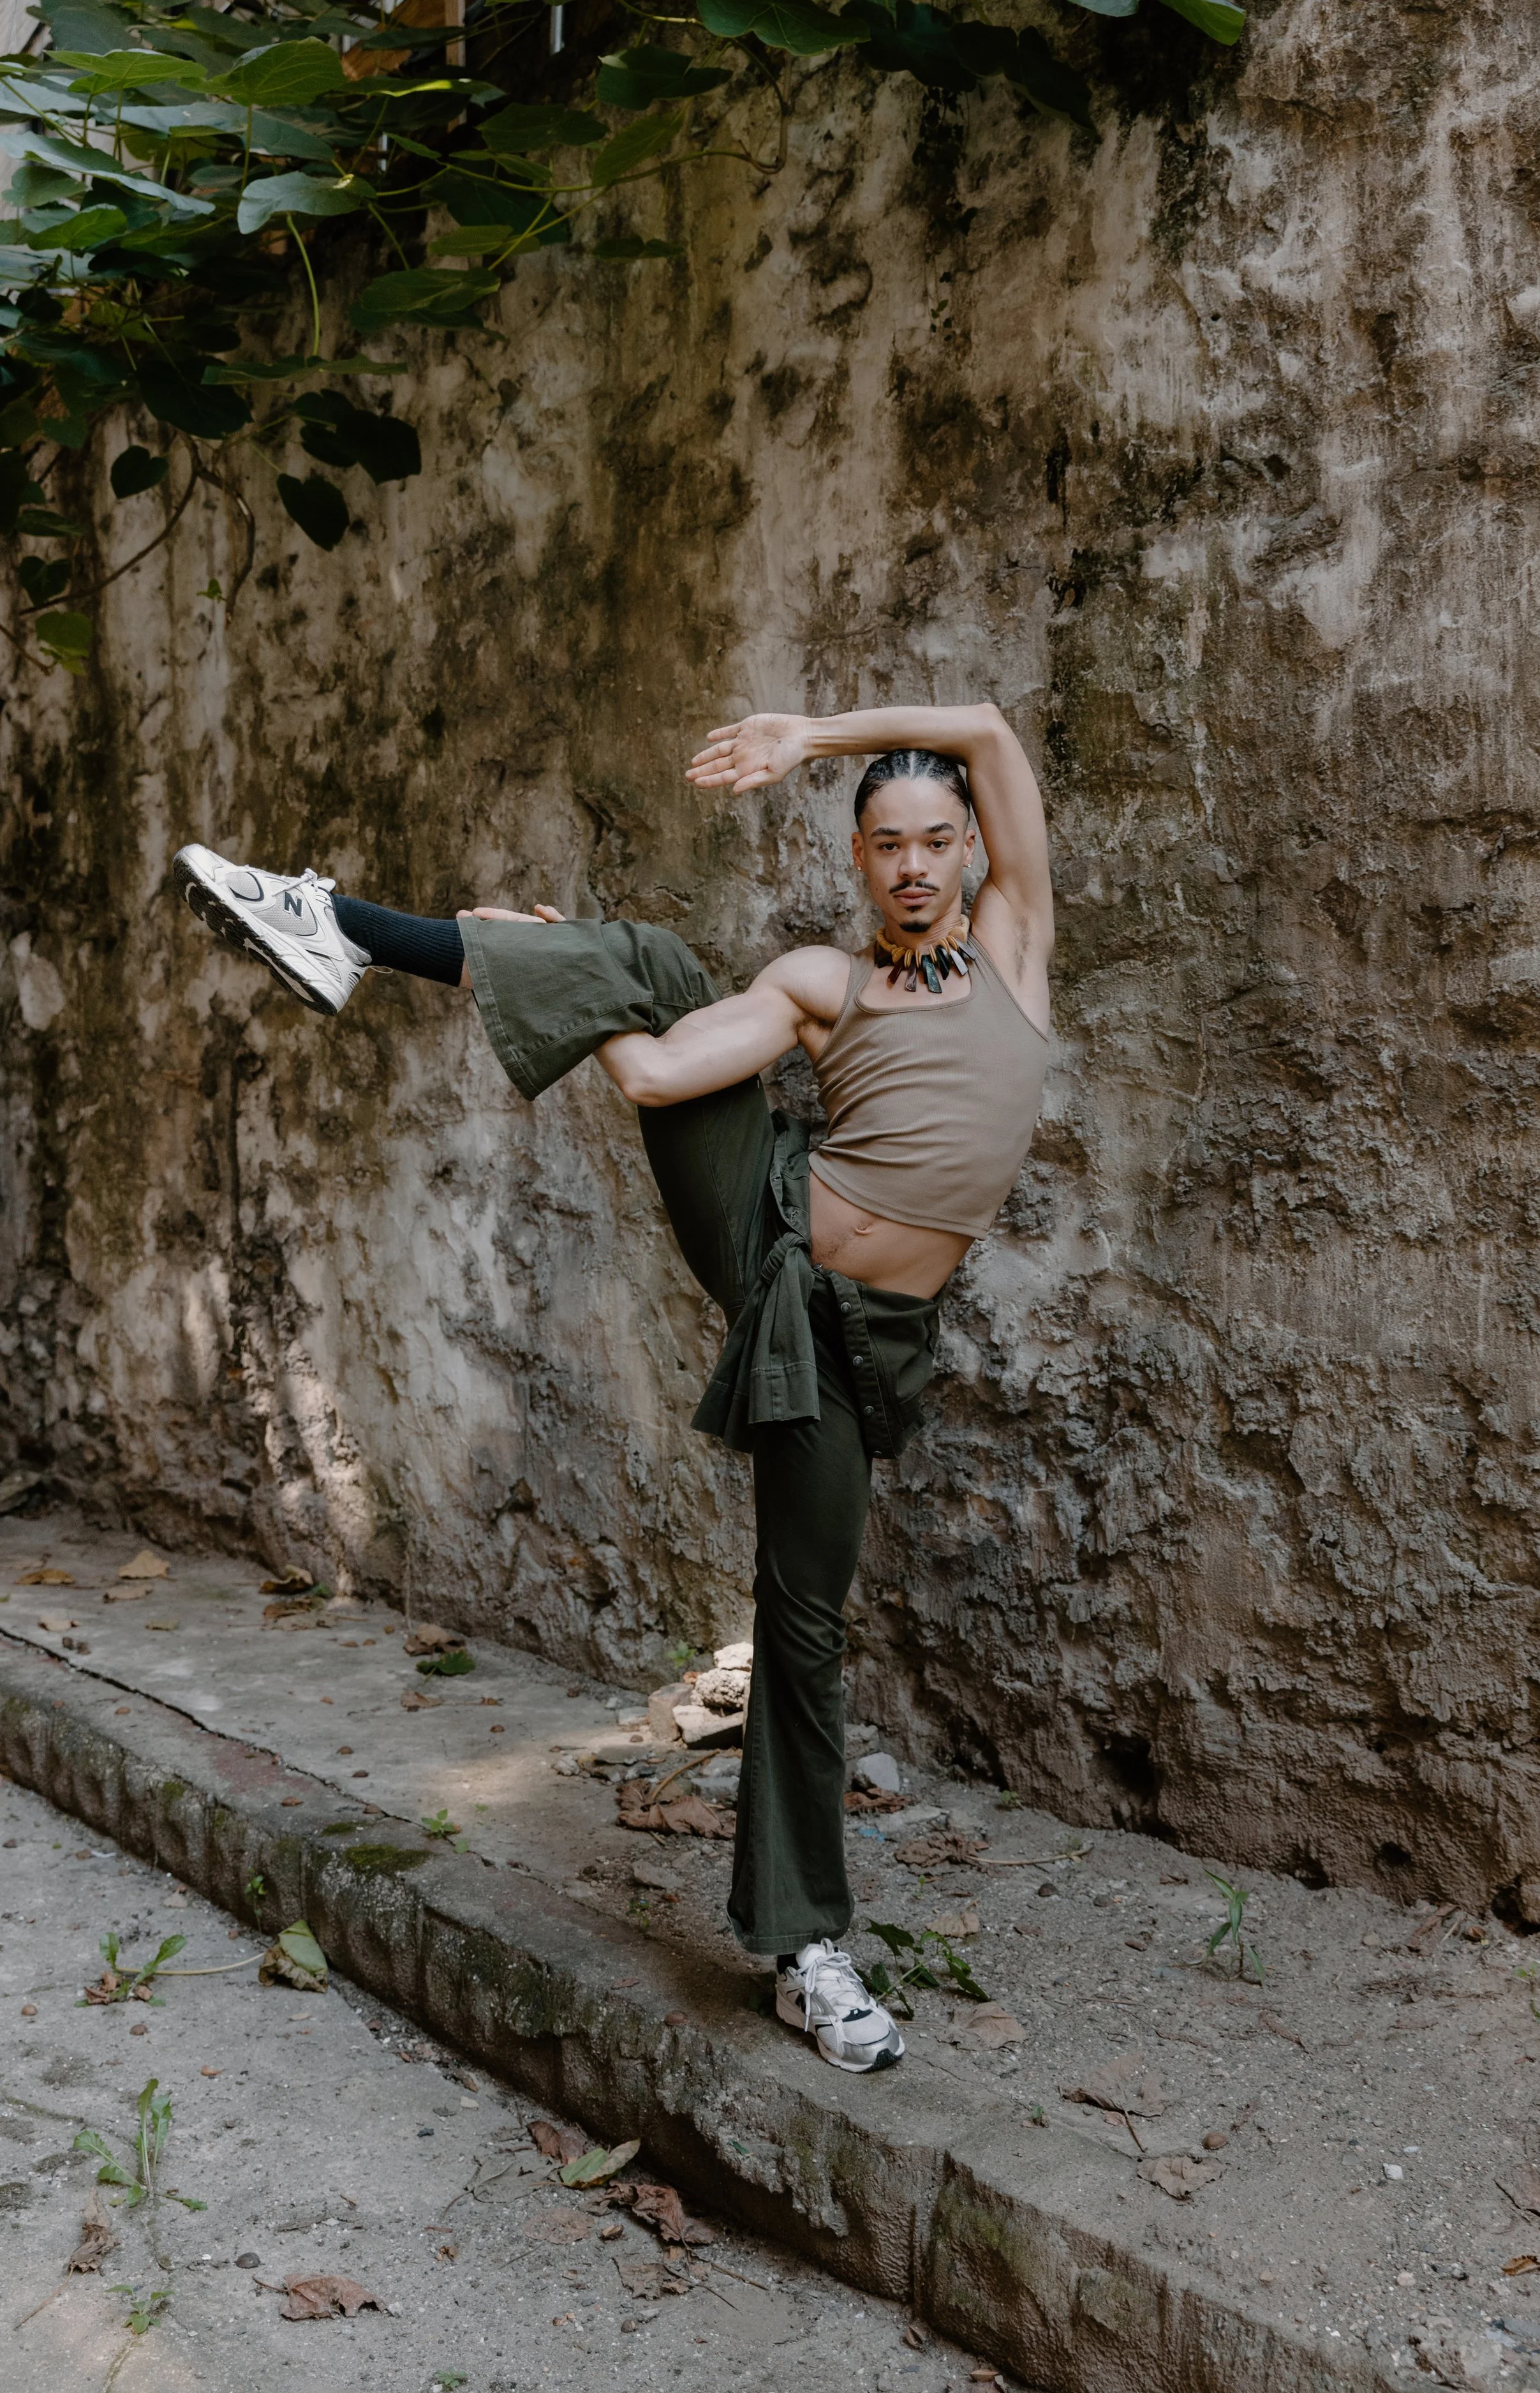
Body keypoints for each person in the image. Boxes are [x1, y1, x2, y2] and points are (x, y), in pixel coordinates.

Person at [172, 703, 1053, 2073]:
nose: (914, 866)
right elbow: (652, 1073)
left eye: (936, 839)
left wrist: (811, 734)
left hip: (861, 1345)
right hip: (769, 1244)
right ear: (860, 860)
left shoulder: (1011, 951)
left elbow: (986, 730)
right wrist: (580, 983)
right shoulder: (822, 983)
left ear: (969, 850)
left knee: (803, 1619)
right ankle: (337, 923)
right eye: (885, 844)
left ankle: (794, 1951)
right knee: (646, 965)